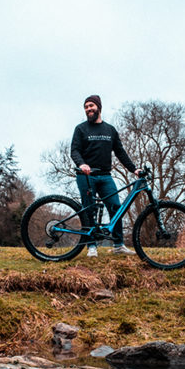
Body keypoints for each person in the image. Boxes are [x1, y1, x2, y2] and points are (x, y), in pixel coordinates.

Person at [71, 95, 141, 257]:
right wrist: (82, 164)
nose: (88, 109)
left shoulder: (110, 130)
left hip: (105, 176)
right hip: (86, 175)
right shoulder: (80, 129)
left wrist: (134, 169)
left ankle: (118, 245)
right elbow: (74, 150)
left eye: (91, 106)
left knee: (116, 207)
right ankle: (91, 247)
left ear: (99, 107)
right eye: (86, 107)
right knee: (89, 210)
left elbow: (120, 152)